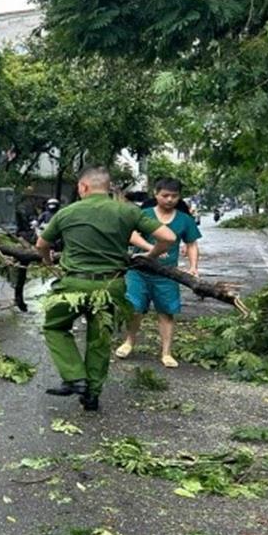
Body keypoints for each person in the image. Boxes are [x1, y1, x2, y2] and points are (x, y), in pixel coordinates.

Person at [35, 168, 176, 411]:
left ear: (83, 187)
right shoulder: (127, 210)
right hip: (111, 286)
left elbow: (41, 244)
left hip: (73, 285)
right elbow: (168, 237)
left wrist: (48, 262)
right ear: (108, 187)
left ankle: (74, 376)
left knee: (55, 326)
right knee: (99, 339)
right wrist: (151, 254)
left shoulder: (66, 212)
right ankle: (92, 395)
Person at [116, 178, 202, 368]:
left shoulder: (184, 219)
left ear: (179, 197)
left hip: (167, 273)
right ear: (156, 194)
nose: (169, 199)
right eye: (165, 195)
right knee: (134, 307)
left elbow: (192, 244)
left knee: (167, 312)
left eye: (174, 196)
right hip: (139, 270)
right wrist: (151, 248)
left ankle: (166, 352)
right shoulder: (144, 214)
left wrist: (193, 266)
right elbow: (131, 235)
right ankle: (128, 341)